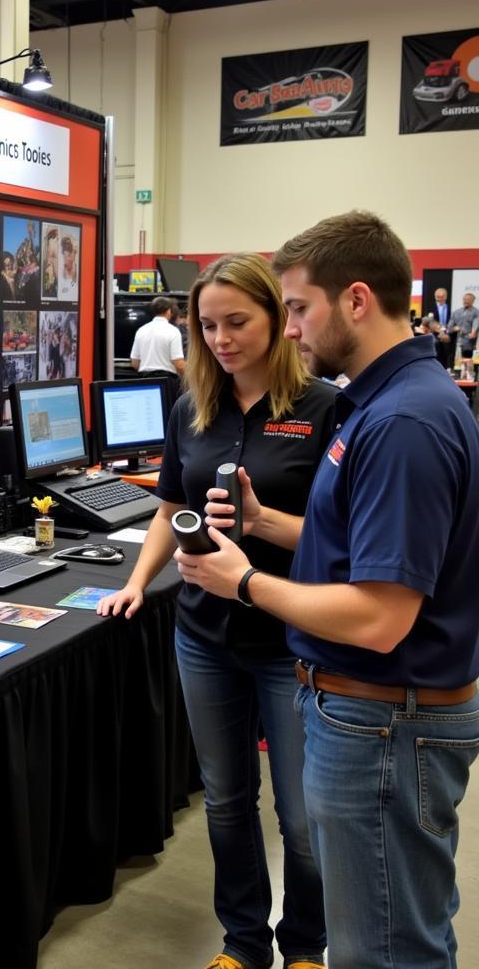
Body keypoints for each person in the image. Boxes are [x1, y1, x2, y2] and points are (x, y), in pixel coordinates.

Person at [178, 212, 479, 969]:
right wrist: (263, 523)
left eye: (298, 309)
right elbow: (354, 550)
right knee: (392, 930)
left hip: (380, 716)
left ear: (353, 301)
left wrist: (242, 580)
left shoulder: (403, 419)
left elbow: (379, 616)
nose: (290, 330)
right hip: (372, 712)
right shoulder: (384, 402)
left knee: (384, 948)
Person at [98, 253, 335, 969]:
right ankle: (242, 943)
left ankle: (303, 948)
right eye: (208, 325)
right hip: (202, 634)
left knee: (300, 816)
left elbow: (343, 535)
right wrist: (141, 578)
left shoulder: (325, 409)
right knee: (228, 801)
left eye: (238, 321)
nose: (223, 338)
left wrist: (264, 528)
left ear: (276, 317)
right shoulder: (190, 406)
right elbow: (172, 505)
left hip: (290, 637)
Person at [449, 290, 478, 379]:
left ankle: (470, 377)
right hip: (457, 342)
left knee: (469, 364)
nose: (465, 301)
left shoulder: (476, 312)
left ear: (473, 301)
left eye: (468, 300)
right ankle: (458, 377)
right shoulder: (456, 312)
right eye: (464, 299)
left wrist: (473, 332)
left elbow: (476, 323)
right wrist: (455, 328)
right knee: (457, 363)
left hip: (470, 343)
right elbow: (449, 327)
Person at [430, 286, 454, 369]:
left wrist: (446, 331)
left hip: (448, 334)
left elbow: (453, 321)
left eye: (442, 297)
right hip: (435, 334)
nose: (439, 299)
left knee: (448, 353)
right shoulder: (430, 307)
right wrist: (439, 330)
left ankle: (447, 369)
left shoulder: (451, 307)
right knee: (437, 351)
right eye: (437, 297)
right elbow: (429, 321)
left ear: (446, 297)